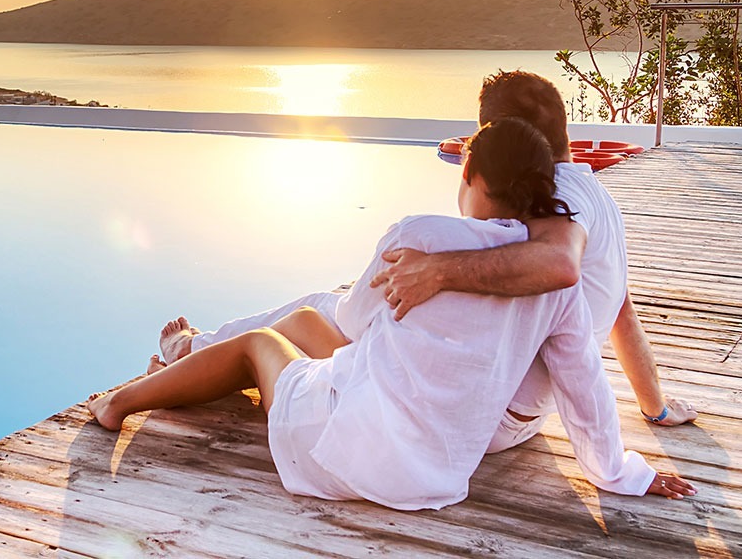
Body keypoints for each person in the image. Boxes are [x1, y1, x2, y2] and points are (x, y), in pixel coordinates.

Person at [89, 119, 694, 510]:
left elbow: (352, 320)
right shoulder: (556, 282)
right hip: (433, 478)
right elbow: (585, 388)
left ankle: (119, 402)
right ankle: (188, 360)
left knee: (265, 344)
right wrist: (621, 473)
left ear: (472, 177)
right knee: (306, 340)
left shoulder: (422, 236)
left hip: (339, 449)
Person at [165, 71, 696, 452]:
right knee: (349, 313)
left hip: (480, 415)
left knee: (321, 312)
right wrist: (656, 406)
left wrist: (437, 270)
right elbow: (619, 307)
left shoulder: (560, 197)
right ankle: (203, 354)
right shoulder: (596, 197)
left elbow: (560, 265)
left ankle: (191, 353)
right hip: (518, 414)